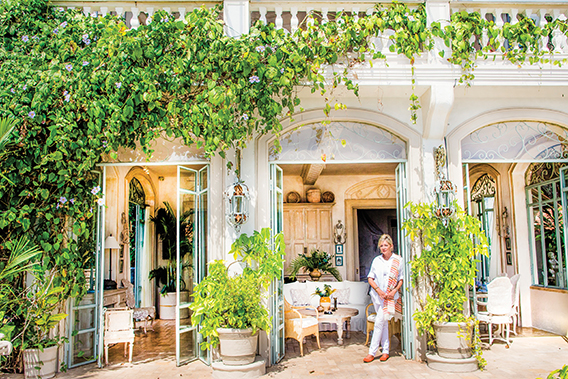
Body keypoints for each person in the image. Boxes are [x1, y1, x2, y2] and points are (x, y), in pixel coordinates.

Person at [363, 234, 404, 363]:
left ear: (391, 246)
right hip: (378, 296)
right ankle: (385, 351)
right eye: (381, 246)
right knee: (384, 323)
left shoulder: (398, 260)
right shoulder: (377, 260)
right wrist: (379, 291)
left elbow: (401, 279)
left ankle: (372, 352)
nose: (383, 248)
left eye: (385, 245)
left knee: (379, 322)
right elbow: (370, 278)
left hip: (390, 297)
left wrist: (394, 291)